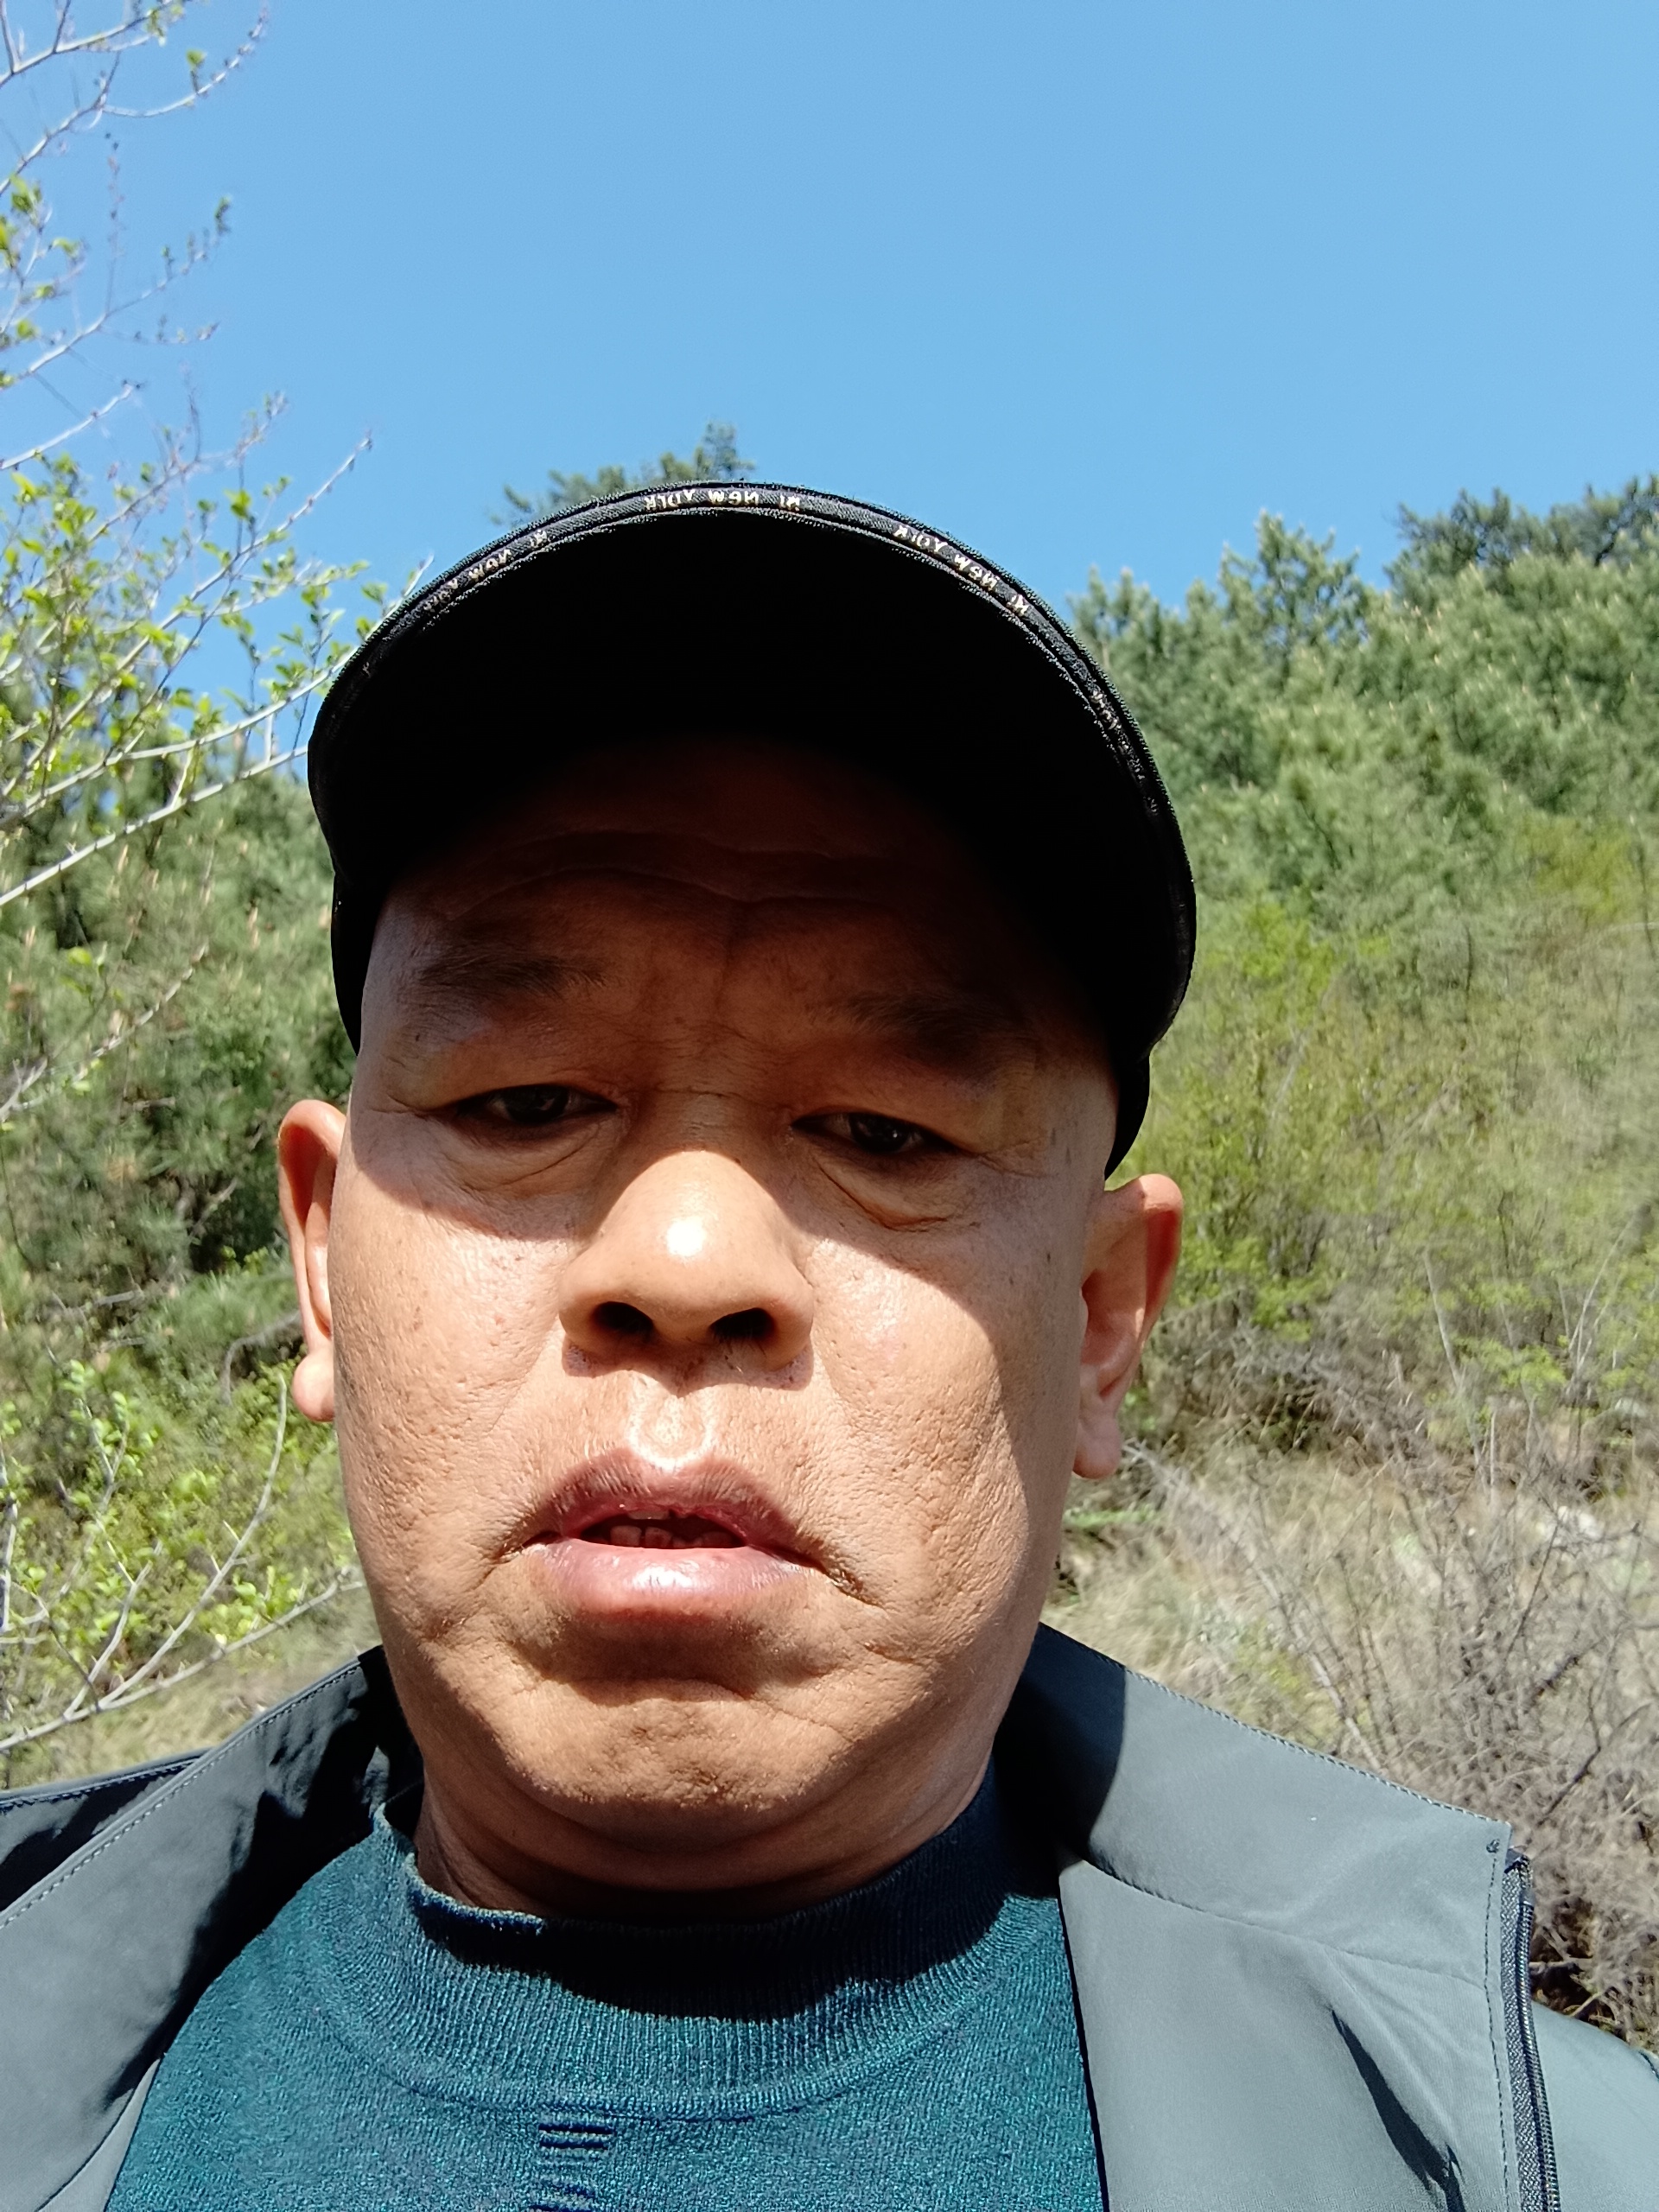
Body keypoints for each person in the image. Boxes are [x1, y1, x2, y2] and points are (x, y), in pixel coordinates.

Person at [0, 486, 1652, 2212]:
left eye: (885, 1132)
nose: (686, 1261)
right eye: (526, 1102)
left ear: (1100, 1321)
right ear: (326, 1256)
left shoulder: (1556, 2165)